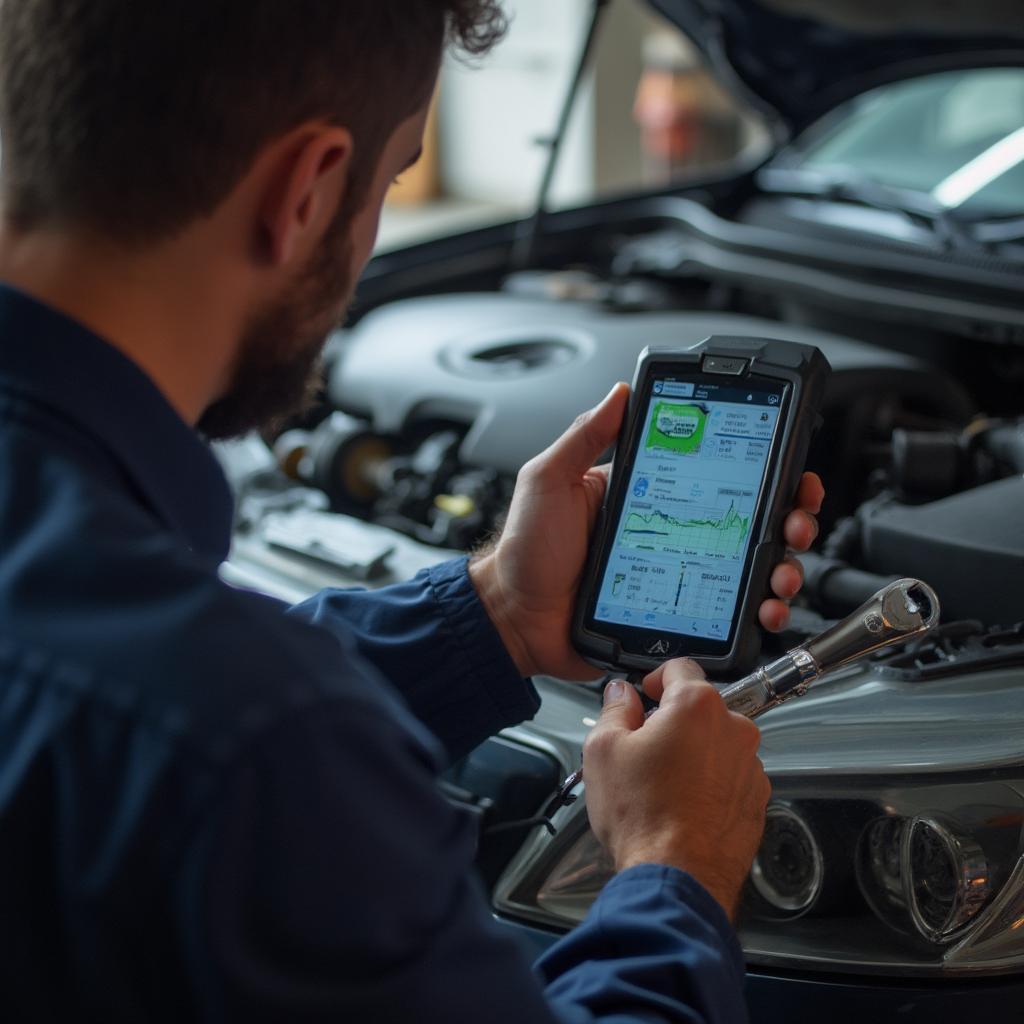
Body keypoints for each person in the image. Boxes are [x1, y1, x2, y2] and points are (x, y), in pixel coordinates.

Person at [0, 2, 823, 1021]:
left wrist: (497, 614)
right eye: (388, 178)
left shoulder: (207, 711)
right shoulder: (260, 748)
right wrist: (674, 869)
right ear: (305, 189)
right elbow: (225, 726)